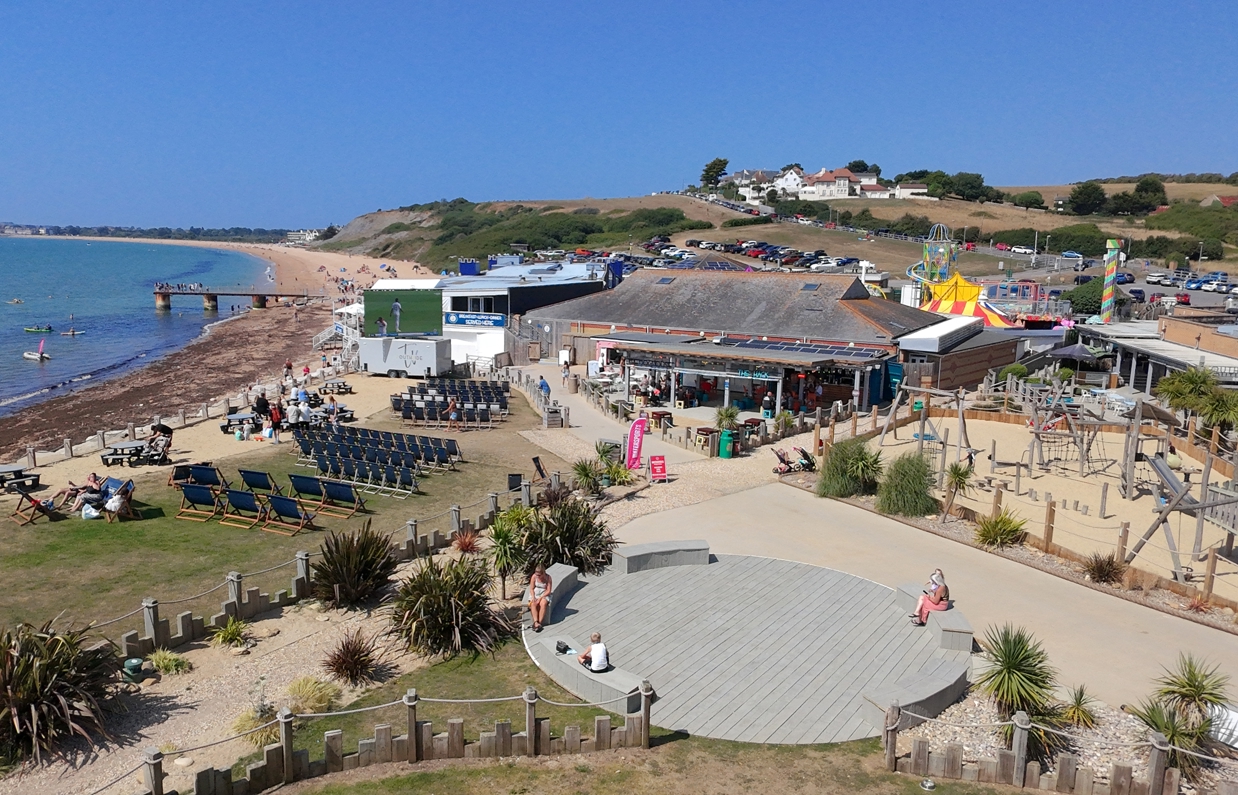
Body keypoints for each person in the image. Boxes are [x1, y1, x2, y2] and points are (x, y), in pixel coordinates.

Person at [528, 564, 552, 632]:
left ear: (543, 573)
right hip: (536, 592)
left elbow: (548, 590)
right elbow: (532, 588)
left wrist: (540, 598)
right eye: (536, 574)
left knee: (543, 603)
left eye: (539, 575)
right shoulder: (534, 577)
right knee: (533, 603)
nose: (537, 576)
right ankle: (536, 622)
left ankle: (540, 623)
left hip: (544, 593)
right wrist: (533, 597)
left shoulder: (548, 577)